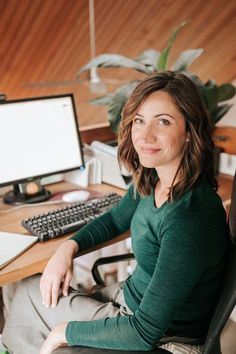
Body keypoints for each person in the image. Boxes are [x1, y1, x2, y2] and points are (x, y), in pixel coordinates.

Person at [2, 71, 229, 354]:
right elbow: (114, 219)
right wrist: (68, 247)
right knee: (33, 290)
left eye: (163, 121)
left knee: (31, 301)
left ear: (188, 132)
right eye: (139, 120)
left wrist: (65, 332)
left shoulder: (189, 216)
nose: (145, 135)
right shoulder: (155, 179)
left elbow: (144, 332)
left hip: (161, 338)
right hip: (132, 302)